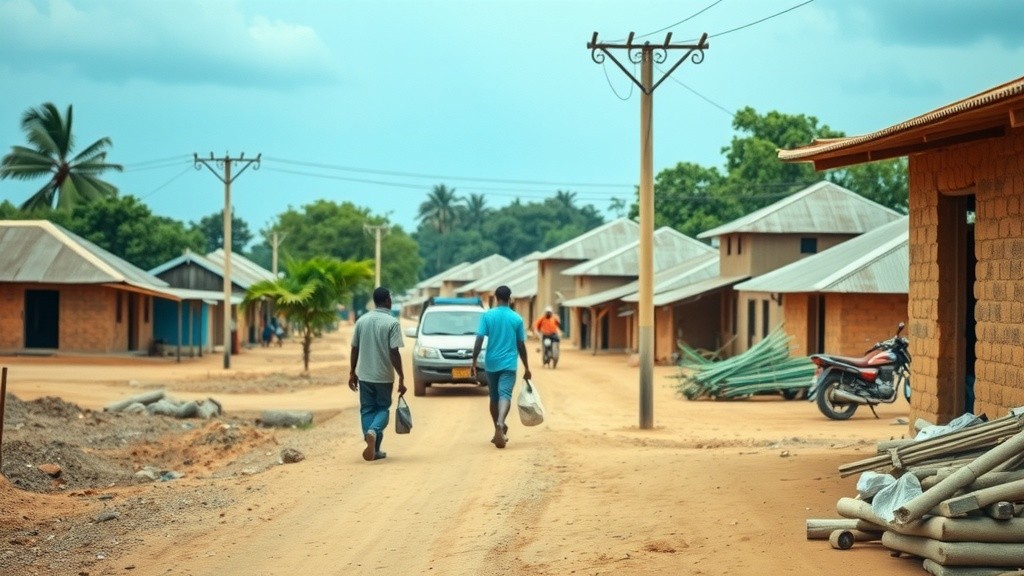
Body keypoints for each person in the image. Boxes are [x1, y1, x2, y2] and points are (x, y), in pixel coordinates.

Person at [348, 287, 406, 461]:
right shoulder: (392, 323)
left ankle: (374, 447)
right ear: (388, 301)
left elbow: (354, 348)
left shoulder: (361, 321)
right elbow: (394, 352)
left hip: (364, 375)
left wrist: (352, 372)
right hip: (383, 376)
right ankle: (372, 433)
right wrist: (401, 376)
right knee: (382, 409)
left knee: (367, 410)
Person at [471, 285, 531, 449]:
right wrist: (527, 367)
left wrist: (474, 361)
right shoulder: (517, 318)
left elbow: (479, 339)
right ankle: (500, 423)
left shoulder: (487, 316)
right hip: (509, 364)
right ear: (510, 298)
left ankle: (497, 427)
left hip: (491, 363)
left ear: (496, 298)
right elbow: (521, 345)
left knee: (494, 397)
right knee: (505, 394)